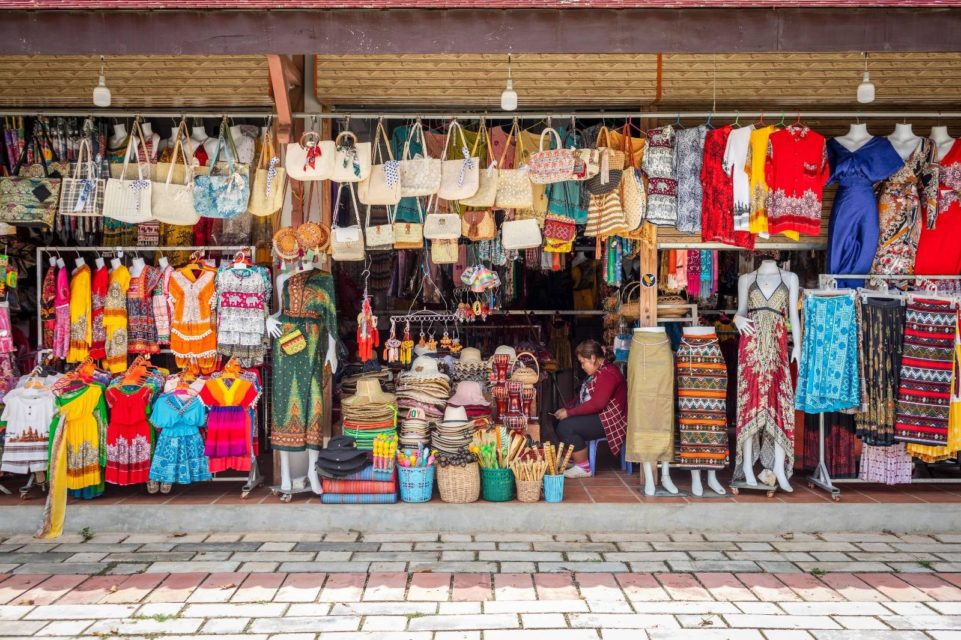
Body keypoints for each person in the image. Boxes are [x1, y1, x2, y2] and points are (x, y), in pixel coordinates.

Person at [554, 339, 628, 478]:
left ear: (593, 358)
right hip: (600, 416)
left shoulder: (608, 373)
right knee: (559, 420)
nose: (582, 366)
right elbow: (581, 397)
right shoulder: (597, 372)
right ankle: (572, 458)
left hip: (610, 421)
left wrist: (569, 413)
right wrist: (566, 408)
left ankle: (583, 467)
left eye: (583, 362)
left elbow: (597, 404)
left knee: (566, 427)